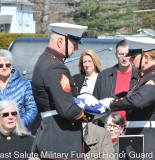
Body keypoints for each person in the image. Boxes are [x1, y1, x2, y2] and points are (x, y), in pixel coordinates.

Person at [31, 22, 100, 159]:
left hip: (53, 135)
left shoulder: (46, 61)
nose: (76, 48)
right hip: (60, 139)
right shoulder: (55, 67)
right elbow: (68, 109)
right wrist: (95, 113)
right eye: (74, 43)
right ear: (60, 40)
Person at [100, 37, 155, 160]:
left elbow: (137, 101)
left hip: (147, 142)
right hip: (136, 139)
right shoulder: (144, 77)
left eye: (133, 57)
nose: (130, 60)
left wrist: (111, 104)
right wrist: (110, 99)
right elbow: (128, 95)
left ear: (146, 58)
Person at [93, 40, 139, 127]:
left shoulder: (140, 77)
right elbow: (95, 103)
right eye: (121, 54)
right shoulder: (104, 75)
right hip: (106, 128)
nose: (124, 57)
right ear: (115, 55)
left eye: (127, 54)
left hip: (131, 127)